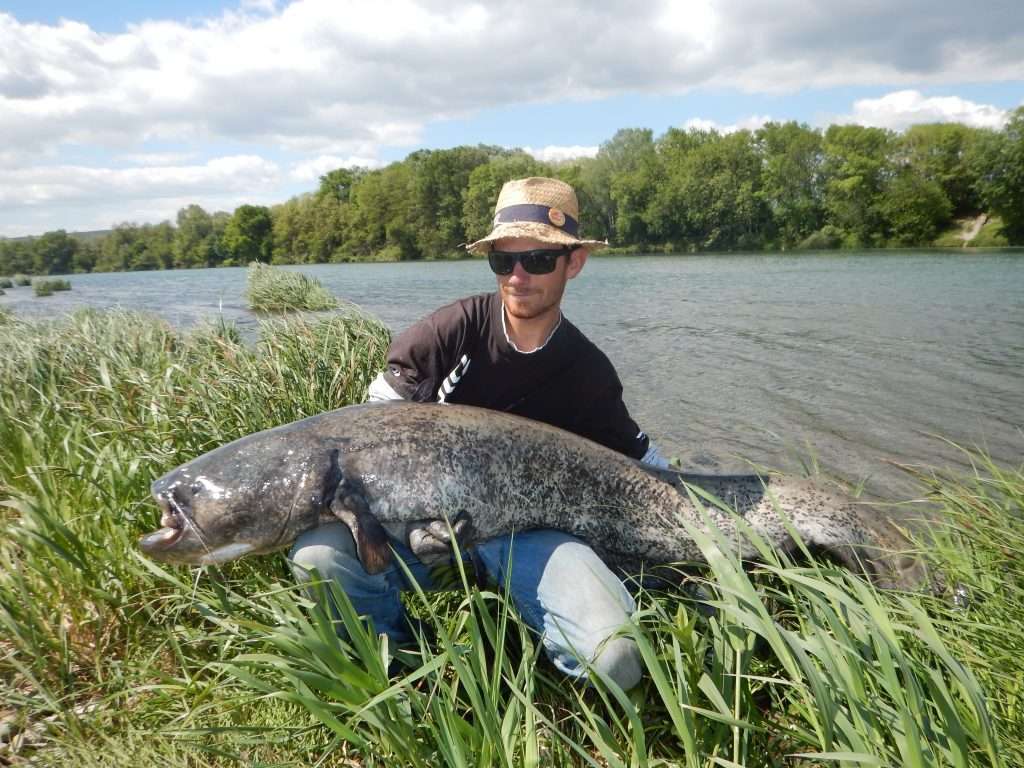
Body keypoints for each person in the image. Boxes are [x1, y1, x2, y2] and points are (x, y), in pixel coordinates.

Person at [290, 177, 669, 690]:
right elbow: (366, 431)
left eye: (537, 260)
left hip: (535, 537)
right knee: (319, 558)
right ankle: (399, 658)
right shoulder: (449, 332)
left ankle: (549, 664)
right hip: (424, 531)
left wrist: (729, 518)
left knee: (615, 658)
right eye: (502, 260)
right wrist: (412, 515)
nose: (517, 276)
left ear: (573, 263)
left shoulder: (588, 372)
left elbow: (645, 464)